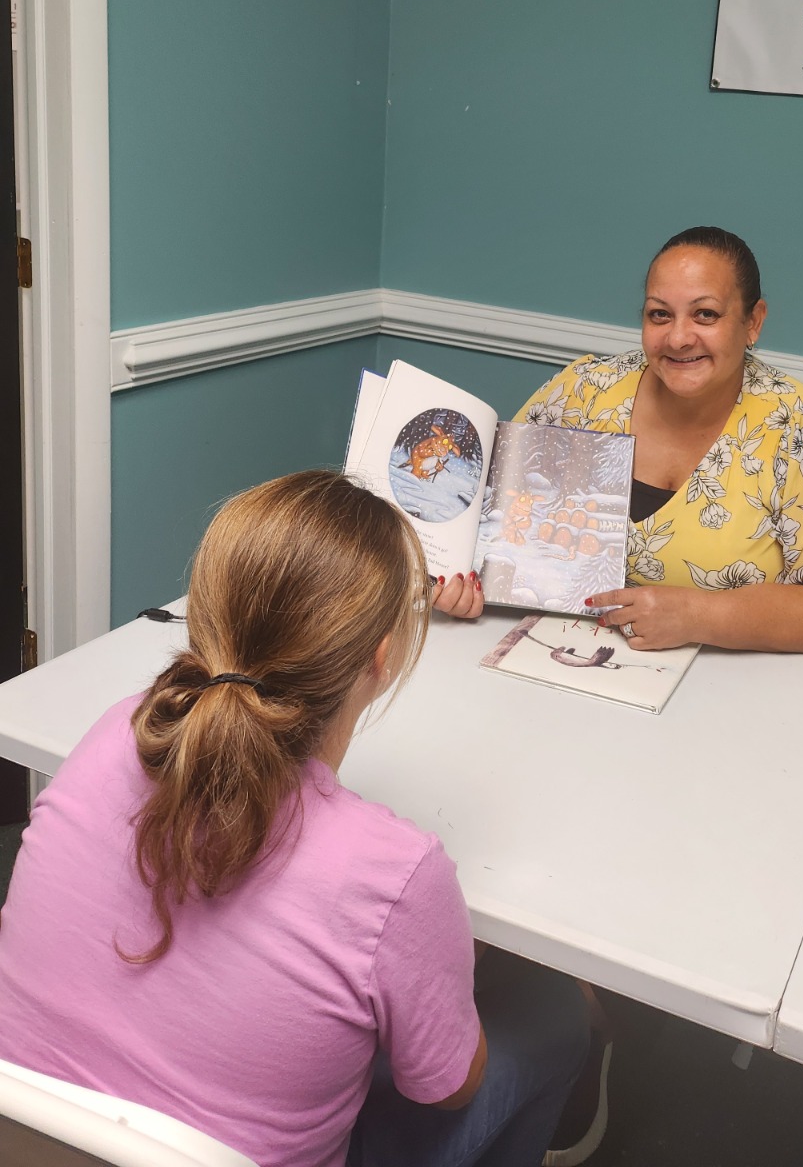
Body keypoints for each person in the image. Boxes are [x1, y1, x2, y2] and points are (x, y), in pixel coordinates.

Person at [0, 470, 588, 1167]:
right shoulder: (396, 874)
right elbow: (448, 1090)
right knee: (557, 1016)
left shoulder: (112, 736)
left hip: (28, 1138)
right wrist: (433, 958)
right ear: (382, 655)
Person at [433, 228, 803, 656]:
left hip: (733, 699)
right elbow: (492, 524)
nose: (678, 338)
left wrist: (701, 616)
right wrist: (464, 583)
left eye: (705, 314)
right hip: (554, 663)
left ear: (753, 322)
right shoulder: (582, 392)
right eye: (660, 314)